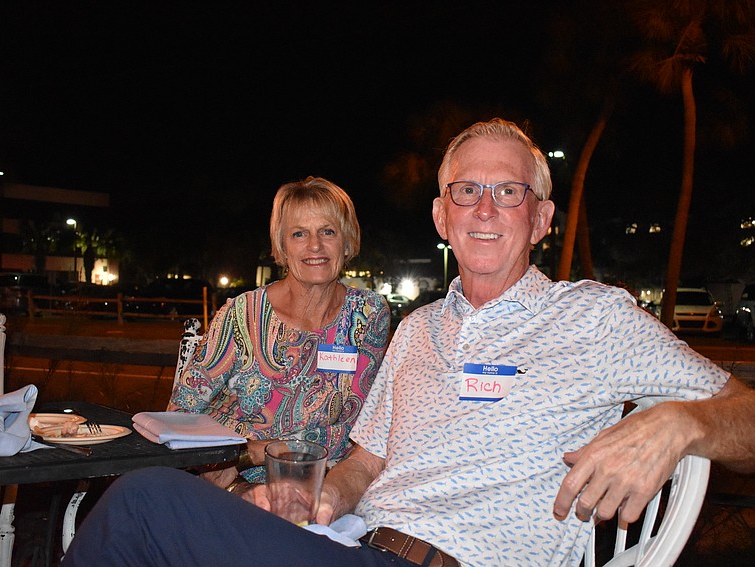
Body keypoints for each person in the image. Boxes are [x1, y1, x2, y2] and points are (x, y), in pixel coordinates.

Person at [63, 119, 755, 567]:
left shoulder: (597, 317)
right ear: (440, 215)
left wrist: (682, 420)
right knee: (142, 504)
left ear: (541, 218)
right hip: (354, 546)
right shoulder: (417, 328)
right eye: (466, 190)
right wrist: (319, 498)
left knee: (144, 502)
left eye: (509, 191)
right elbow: (364, 463)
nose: (485, 208)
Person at [167, 176, 390, 489]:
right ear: (282, 246)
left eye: (328, 231)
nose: (315, 246)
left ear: (348, 241)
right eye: (299, 234)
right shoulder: (242, 315)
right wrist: (226, 463)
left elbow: (354, 424)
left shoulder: (368, 314)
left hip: (323, 484)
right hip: (234, 478)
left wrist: (260, 450)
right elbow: (179, 415)